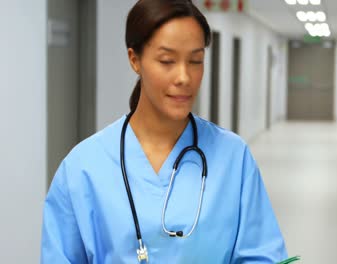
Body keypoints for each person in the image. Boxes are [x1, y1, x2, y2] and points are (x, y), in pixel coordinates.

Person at [41, 0, 287, 263]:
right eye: (167, 60)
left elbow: (262, 256)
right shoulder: (83, 167)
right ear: (135, 59)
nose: (184, 77)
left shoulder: (233, 158)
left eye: (195, 61)